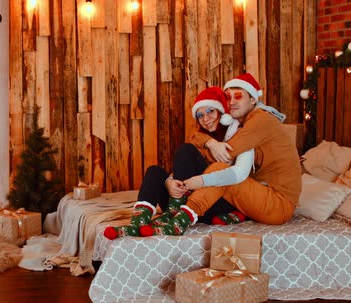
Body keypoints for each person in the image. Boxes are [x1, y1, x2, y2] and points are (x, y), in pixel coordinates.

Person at [143, 73, 301, 235]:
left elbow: (225, 156)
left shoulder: (261, 120)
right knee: (163, 167)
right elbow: (195, 141)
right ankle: (164, 213)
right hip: (258, 195)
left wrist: (199, 175)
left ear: (253, 100)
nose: (232, 102)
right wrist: (210, 143)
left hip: (278, 204)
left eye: (238, 96)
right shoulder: (240, 124)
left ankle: (182, 216)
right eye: (228, 97)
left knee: (218, 167)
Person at [104, 87, 253, 239]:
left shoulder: (238, 135)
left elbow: (238, 177)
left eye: (210, 111)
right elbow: (181, 169)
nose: (205, 119)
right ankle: (138, 223)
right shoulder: (200, 139)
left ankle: (175, 213)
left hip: (213, 200)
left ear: (222, 113)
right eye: (200, 115)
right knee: (154, 171)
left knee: (185, 150)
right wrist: (169, 182)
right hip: (188, 200)